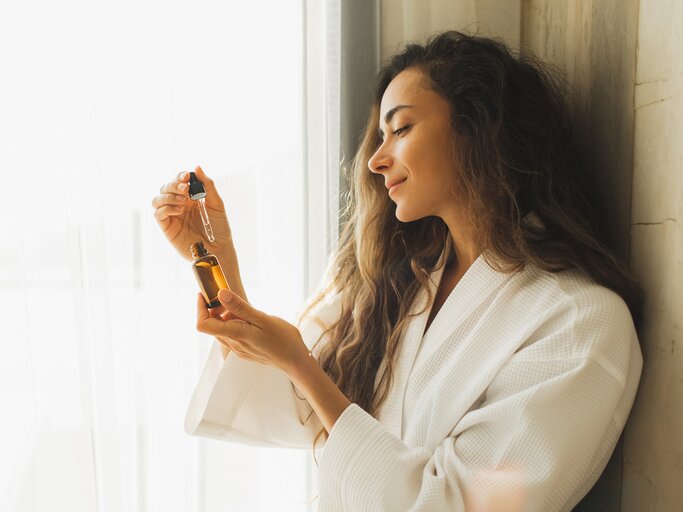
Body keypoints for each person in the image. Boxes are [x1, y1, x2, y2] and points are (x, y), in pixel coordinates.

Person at [151, 31, 643, 512]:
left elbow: (458, 503)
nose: (375, 159)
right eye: (380, 136)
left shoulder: (580, 322)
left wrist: (301, 364)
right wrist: (213, 257)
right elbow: (292, 405)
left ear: (477, 128)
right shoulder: (400, 284)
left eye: (401, 129)